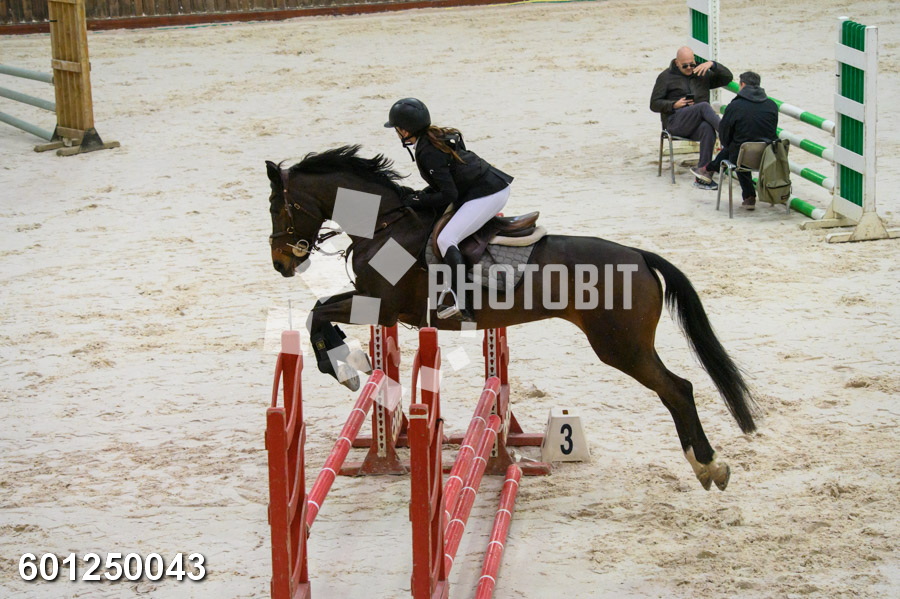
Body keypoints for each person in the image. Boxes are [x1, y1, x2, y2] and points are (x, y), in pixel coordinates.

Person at [384, 98, 514, 322]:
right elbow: (445, 184)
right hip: (481, 186)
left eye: (397, 129)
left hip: (489, 193)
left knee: (446, 239)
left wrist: (416, 201)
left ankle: (461, 301)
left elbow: (449, 195)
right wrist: (418, 196)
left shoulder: (427, 151)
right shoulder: (433, 138)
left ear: (404, 130)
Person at [650, 46, 733, 190]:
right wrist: (673, 104)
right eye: (685, 66)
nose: (689, 68)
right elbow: (654, 104)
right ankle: (729, 135)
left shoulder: (701, 73)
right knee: (704, 106)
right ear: (677, 63)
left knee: (707, 128)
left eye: (691, 64)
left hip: (696, 124)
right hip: (675, 122)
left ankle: (703, 174)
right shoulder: (666, 77)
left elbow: (727, 78)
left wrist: (713, 64)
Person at [701, 71, 779, 210]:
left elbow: (724, 135)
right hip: (768, 156)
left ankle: (710, 169)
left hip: (742, 156)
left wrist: (730, 145)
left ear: (742, 84)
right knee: (742, 146)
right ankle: (710, 169)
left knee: (737, 149)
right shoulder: (771, 105)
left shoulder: (735, 106)